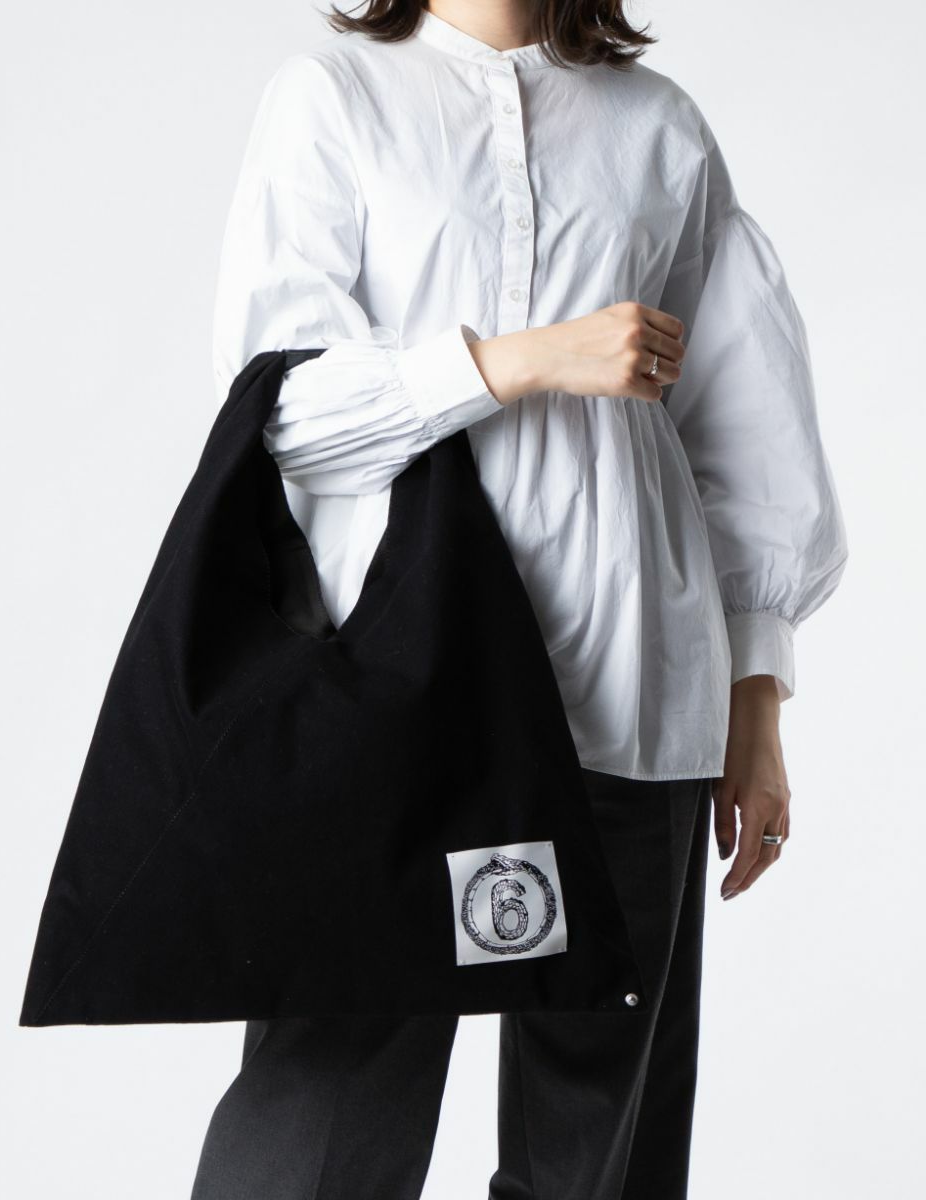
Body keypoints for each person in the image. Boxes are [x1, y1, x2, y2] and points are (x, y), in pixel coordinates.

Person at [190, 2, 848, 1197]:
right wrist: (522, 359)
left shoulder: (659, 128)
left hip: (632, 687)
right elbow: (284, 411)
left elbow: (747, 426)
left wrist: (756, 703)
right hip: (398, 701)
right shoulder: (335, 98)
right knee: (319, 1124)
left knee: (598, 1155)